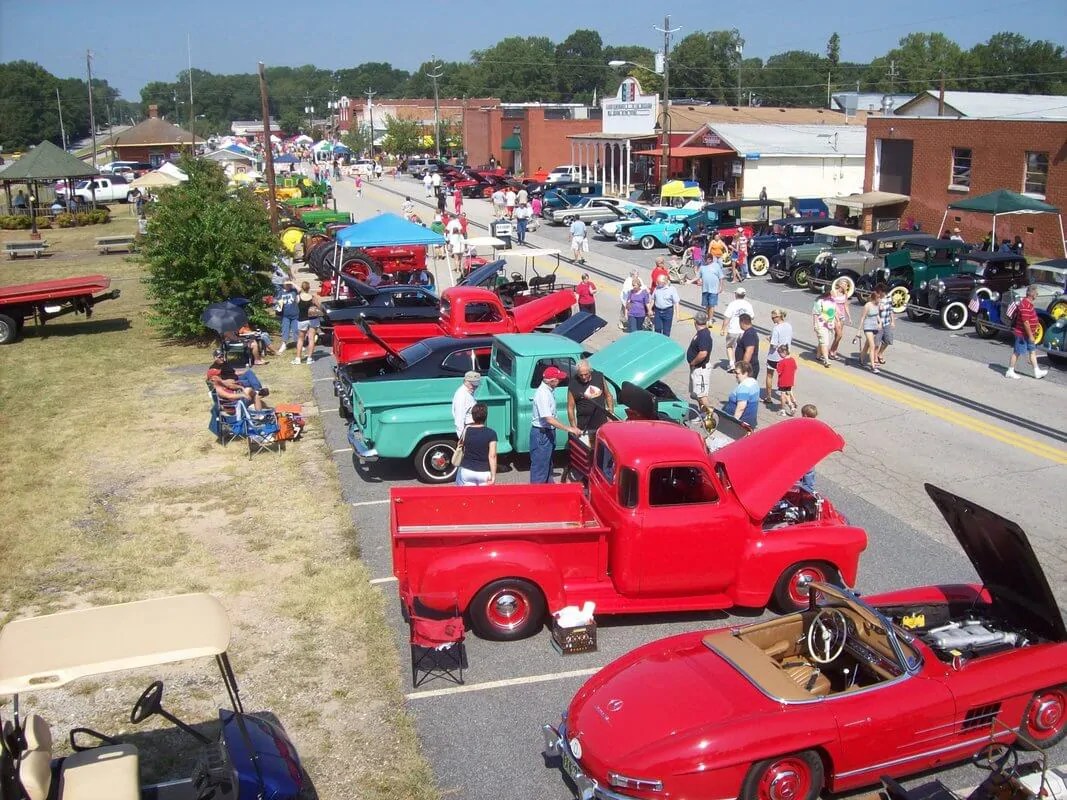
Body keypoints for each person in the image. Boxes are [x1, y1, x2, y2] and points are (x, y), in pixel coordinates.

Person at [529, 366, 580, 483]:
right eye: (558, 379)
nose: (560, 381)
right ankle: (538, 496)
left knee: (547, 466)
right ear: (551, 380)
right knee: (540, 469)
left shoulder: (548, 392)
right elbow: (549, 419)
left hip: (546, 433)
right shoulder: (543, 394)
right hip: (542, 434)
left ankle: (548, 492)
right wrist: (569, 429)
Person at [1006, 285, 1048, 379]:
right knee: (1017, 352)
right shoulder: (1025, 305)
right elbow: (1026, 322)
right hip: (1022, 334)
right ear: (1032, 294)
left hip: (1029, 334)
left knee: (1032, 351)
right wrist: (1030, 336)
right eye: (1036, 293)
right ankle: (1010, 370)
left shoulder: (1029, 304)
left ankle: (1037, 371)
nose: (1037, 294)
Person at [567, 359, 614, 434]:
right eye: (580, 375)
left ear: (590, 371)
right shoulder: (573, 383)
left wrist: (611, 414)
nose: (583, 377)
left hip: (602, 423)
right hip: (584, 426)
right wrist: (574, 427)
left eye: (586, 374)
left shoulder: (599, 376)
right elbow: (570, 407)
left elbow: (608, 395)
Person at [456, 403, 497, 486]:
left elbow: (460, 445)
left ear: (473, 416)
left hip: (467, 470)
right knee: (484, 498)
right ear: (486, 416)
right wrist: (493, 476)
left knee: (467, 498)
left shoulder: (466, 430)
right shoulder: (491, 433)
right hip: (484, 472)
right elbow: (492, 456)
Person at [720, 286, 754, 370]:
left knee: (729, 346)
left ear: (736, 294)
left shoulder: (732, 304)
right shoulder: (748, 304)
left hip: (733, 330)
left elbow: (727, 317)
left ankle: (731, 363)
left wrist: (723, 328)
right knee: (742, 348)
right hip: (744, 330)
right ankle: (740, 364)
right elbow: (752, 317)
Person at [687, 312, 714, 414]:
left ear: (695, 322)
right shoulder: (701, 333)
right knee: (698, 394)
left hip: (701, 370)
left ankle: (710, 417)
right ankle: (702, 414)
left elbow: (703, 353)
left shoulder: (704, 335)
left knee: (702, 395)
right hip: (697, 369)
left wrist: (693, 362)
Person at [764, 309, 792, 404]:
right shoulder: (789, 326)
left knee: (769, 375)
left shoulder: (776, 328)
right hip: (785, 356)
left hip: (774, 356)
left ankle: (768, 397)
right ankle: (789, 399)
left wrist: (769, 339)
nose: (772, 319)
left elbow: (774, 344)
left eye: (773, 317)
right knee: (785, 379)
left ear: (779, 316)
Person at [292, 281, 322, 365]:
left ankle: (298, 358)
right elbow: (319, 306)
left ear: (302, 288)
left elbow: (295, 305)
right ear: (309, 288)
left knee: (300, 339)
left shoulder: (298, 297)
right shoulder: (312, 297)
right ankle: (309, 358)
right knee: (311, 339)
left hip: (302, 319)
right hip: (313, 319)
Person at [724, 361, 760, 429]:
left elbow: (741, 408)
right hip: (750, 420)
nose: (735, 375)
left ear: (745, 373)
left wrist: (732, 423)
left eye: (737, 373)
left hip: (742, 423)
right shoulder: (754, 382)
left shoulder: (744, 387)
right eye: (734, 372)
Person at [828, 279, 853, 361]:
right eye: (845, 284)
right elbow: (832, 304)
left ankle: (834, 351)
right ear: (840, 284)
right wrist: (836, 317)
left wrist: (849, 316)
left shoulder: (845, 294)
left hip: (842, 316)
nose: (846, 286)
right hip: (835, 316)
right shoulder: (834, 292)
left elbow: (846, 305)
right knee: (839, 334)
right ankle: (831, 350)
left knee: (838, 335)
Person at [859, 288, 883, 373]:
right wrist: (859, 330)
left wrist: (880, 322)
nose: (880, 300)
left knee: (867, 344)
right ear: (875, 298)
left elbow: (877, 315)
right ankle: (873, 366)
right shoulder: (868, 305)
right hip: (868, 326)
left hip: (874, 326)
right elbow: (862, 318)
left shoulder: (877, 305)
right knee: (872, 345)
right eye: (879, 298)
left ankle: (861, 358)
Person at [452, 370, 481, 436]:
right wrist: (463, 439)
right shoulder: (462, 396)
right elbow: (459, 419)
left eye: (476, 385)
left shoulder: (469, 392)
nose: (475, 387)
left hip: (472, 429)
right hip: (468, 431)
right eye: (472, 384)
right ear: (465, 381)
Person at [797, 404, 819, 492]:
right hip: (811, 457)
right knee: (809, 475)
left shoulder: (801, 426)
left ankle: (799, 492)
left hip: (801, 457)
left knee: (798, 475)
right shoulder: (817, 426)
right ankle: (808, 492)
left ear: (804, 415)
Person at [812, 291, 836, 367]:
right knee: (825, 342)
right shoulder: (819, 301)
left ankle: (818, 355)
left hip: (829, 324)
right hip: (821, 324)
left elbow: (834, 312)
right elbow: (815, 313)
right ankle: (826, 360)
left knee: (823, 340)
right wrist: (815, 324)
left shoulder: (832, 300)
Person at [734, 313, 760, 380]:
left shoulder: (749, 334)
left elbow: (749, 351)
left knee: (746, 387)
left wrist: (743, 368)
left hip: (749, 368)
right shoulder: (749, 332)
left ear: (742, 322)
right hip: (750, 366)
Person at [875, 283, 895, 367]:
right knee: (877, 342)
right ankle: (875, 357)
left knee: (888, 340)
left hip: (886, 322)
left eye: (880, 292)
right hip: (877, 324)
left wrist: (893, 321)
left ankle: (880, 354)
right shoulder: (876, 298)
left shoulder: (888, 298)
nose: (879, 293)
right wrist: (878, 305)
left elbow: (890, 310)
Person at [775, 345, 798, 416]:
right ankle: (791, 407)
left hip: (783, 381)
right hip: (790, 381)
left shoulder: (782, 362)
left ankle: (783, 410)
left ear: (784, 352)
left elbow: (779, 372)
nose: (779, 355)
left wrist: (777, 366)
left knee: (782, 395)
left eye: (780, 354)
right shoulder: (792, 360)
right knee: (787, 394)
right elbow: (795, 368)